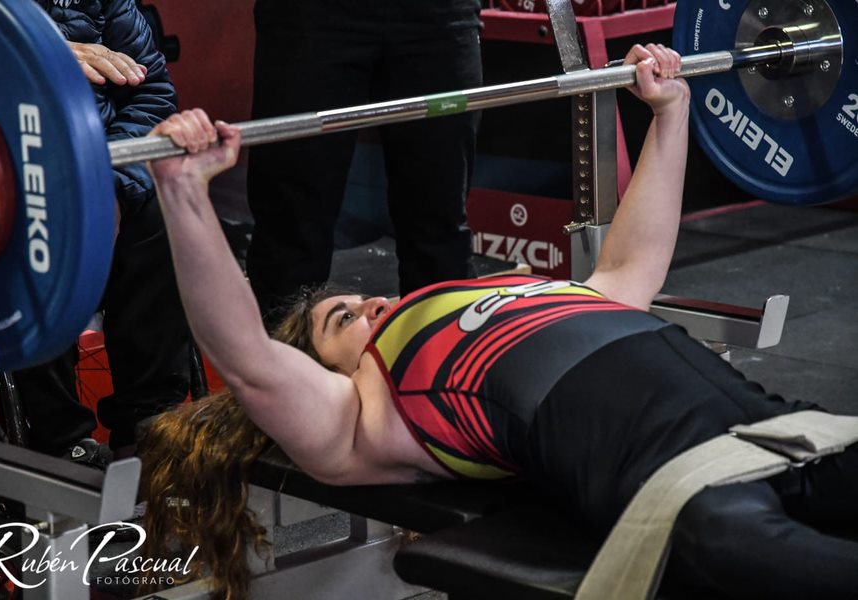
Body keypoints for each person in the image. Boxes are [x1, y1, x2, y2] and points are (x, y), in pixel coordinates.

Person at [139, 45, 858, 600]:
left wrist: (670, 112)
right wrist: (184, 193)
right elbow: (244, 356)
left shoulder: (522, 296)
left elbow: (632, 268)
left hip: (784, 432)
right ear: (324, 371)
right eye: (341, 321)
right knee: (733, 553)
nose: (369, 304)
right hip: (689, 491)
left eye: (358, 298)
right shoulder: (358, 415)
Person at [9, 0, 193, 464]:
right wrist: (41, 52)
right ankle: (59, 439)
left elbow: (153, 98)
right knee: (32, 227)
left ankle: (148, 424)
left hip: (98, 169)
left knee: (160, 216)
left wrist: (104, 181)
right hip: (5, 175)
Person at [247, 0, 482, 328]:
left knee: (439, 225)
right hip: (311, 15)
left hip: (437, 17)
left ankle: (443, 371)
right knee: (292, 229)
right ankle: (283, 375)